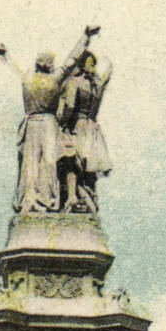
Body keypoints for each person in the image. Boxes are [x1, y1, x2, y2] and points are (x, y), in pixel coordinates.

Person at [0, 27, 97, 214]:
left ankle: (30, 200)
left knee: (31, 163)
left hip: (32, 124)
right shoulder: (55, 79)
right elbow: (71, 60)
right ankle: (48, 201)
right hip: (49, 124)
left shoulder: (28, 78)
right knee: (49, 162)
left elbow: (14, 66)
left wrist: (6, 54)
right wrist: (85, 37)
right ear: (49, 64)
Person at [57, 48, 112, 212]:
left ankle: (73, 198)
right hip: (93, 129)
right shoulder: (97, 84)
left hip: (79, 127)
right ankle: (91, 201)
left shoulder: (75, 82)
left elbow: (70, 106)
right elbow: (107, 76)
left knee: (72, 163)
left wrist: (63, 122)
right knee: (91, 168)